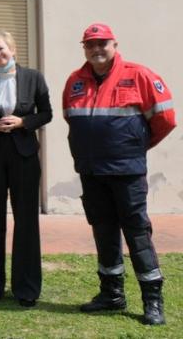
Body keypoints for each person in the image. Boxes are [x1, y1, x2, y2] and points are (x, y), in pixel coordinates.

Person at [63, 23, 176, 326]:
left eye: (102, 43)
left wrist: (135, 146)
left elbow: (165, 119)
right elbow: (71, 119)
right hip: (91, 172)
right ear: (84, 48)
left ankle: (152, 300)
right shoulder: (75, 81)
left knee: (137, 232)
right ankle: (111, 294)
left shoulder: (138, 75)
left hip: (127, 172)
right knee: (103, 230)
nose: (96, 49)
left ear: (114, 44)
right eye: (90, 44)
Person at [0, 31, 52, 307]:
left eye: (0, 49)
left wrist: (22, 122)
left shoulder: (33, 77)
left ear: (13, 49)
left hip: (24, 154)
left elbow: (46, 113)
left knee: (26, 219)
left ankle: (26, 289)